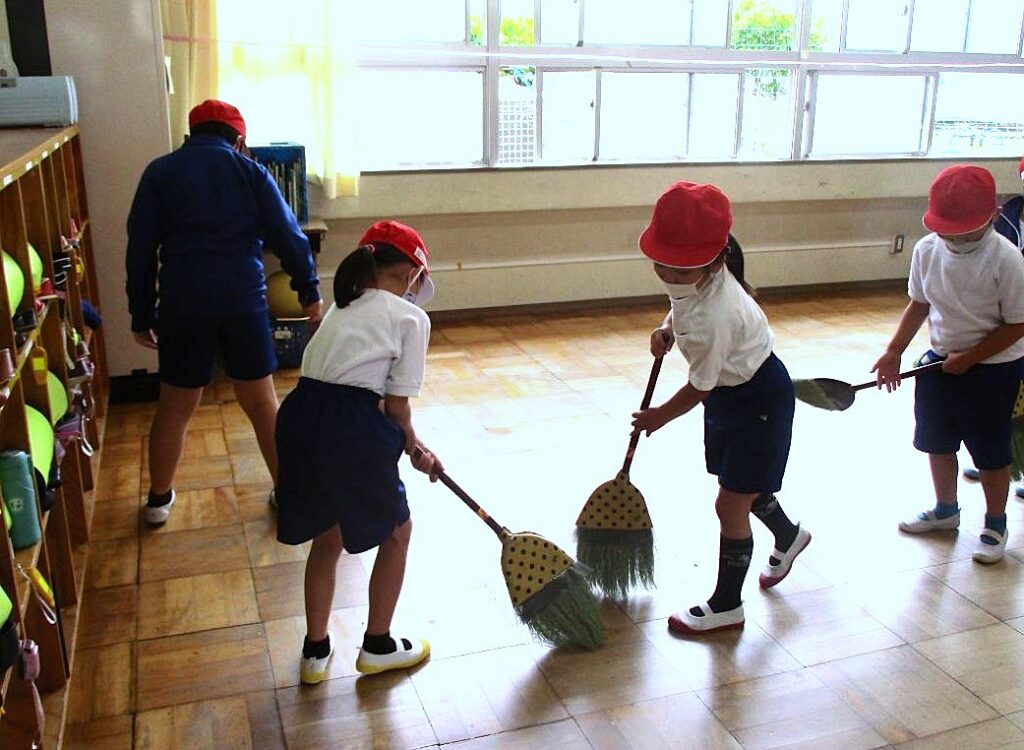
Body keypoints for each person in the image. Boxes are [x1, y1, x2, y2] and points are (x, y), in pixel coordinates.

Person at [126, 99, 322, 526]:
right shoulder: (250, 172)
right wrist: (310, 293)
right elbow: (290, 237)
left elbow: (140, 250)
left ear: (190, 135)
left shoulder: (160, 173)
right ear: (239, 140)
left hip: (183, 304)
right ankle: (287, 493)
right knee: (261, 402)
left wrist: (141, 314)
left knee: (175, 405)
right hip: (242, 302)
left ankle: (158, 501)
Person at [631, 181, 810, 635]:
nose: (670, 276)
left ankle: (728, 604)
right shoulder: (698, 280)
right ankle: (789, 536)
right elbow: (681, 303)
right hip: (735, 394)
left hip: (756, 400)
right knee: (740, 485)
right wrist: (666, 328)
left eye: (680, 269)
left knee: (729, 504)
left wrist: (658, 417)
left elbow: (699, 388)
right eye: (662, 266)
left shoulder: (719, 312)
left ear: (712, 262)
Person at [275, 220, 442, 683]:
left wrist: (412, 444)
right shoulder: (411, 318)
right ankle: (378, 645)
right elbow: (396, 407)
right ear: (412, 273)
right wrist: (413, 445)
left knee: (326, 537)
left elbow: (364, 398)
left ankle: (314, 652)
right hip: (350, 427)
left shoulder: (338, 309)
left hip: (298, 417)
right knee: (396, 532)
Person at [873, 165, 1024, 564]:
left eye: (965, 231)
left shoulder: (1007, 260)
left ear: (992, 215)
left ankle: (995, 522)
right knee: (936, 441)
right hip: (941, 363)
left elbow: (1018, 325)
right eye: (946, 230)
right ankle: (946, 510)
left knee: (990, 450)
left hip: (994, 369)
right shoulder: (926, 250)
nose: (954, 238)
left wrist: (972, 358)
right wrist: (894, 351)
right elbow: (919, 304)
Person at [962, 157, 1024, 493]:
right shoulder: (1009, 215)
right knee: (1007, 402)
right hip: (1003, 324)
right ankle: (995, 461)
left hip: (1018, 319)